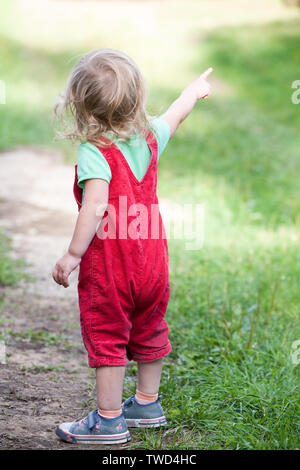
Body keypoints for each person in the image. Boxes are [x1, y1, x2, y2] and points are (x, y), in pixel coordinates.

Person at [52, 48, 212, 444]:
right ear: (137, 98)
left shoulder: (95, 151)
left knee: (107, 333)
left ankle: (108, 421)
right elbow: (177, 113)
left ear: (81, 104)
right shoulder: (151, 136)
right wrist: (193, 91)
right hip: (153, 260)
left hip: (112, 265)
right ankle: (146, 402)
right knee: (149, 324)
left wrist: (73, 254)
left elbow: (95, 207)